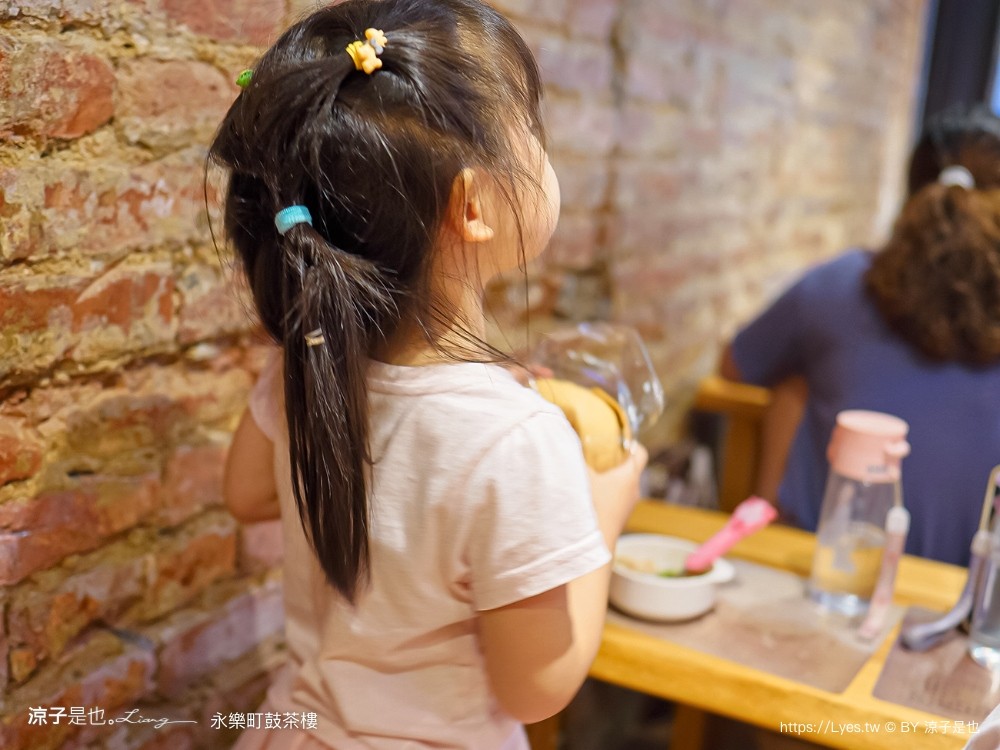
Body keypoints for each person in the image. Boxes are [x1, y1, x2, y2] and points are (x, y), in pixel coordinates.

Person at [212, 1, 646, 747]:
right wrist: (604, 504)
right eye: (534, 129)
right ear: (473, 205)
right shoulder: (519, 440)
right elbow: (537, 687)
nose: (547, 150)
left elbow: (245, 492)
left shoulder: (309, 359)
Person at [721, 105, 1000, 566]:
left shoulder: (839, 284)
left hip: (830, 572)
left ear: (912, 194)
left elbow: (734, 366)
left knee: (795, 382)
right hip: (968, 602)